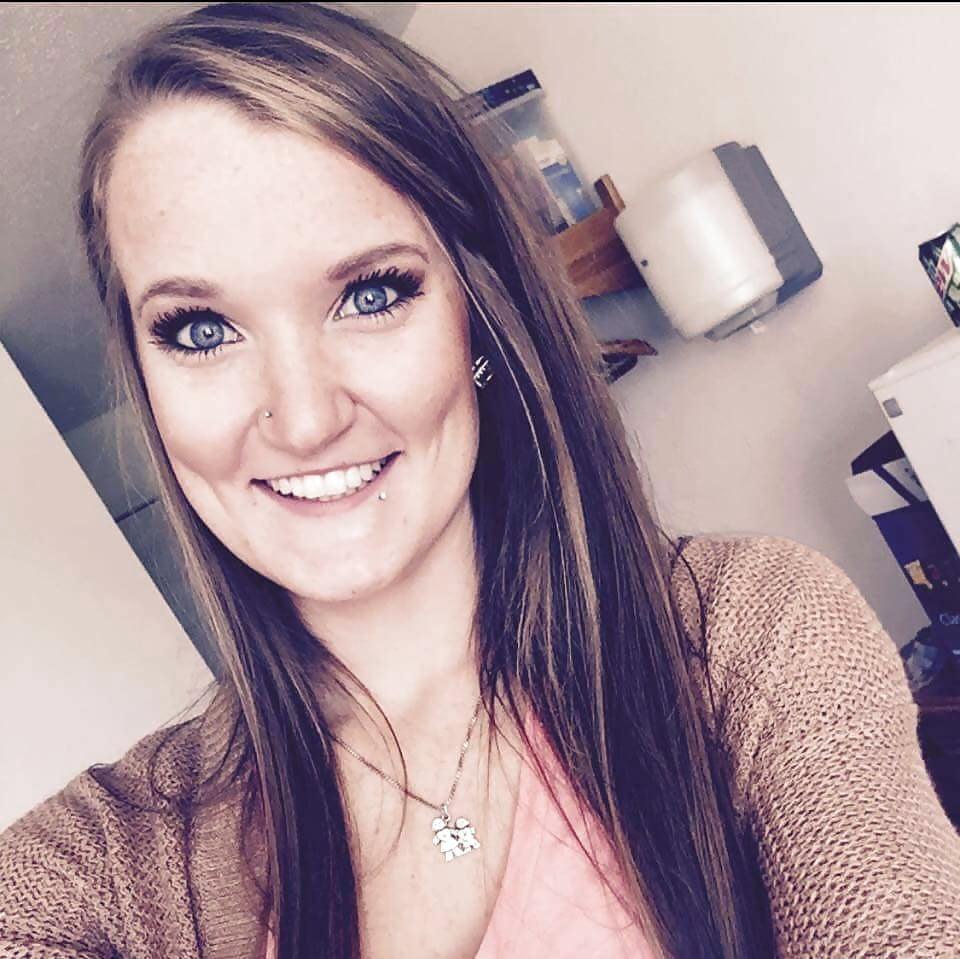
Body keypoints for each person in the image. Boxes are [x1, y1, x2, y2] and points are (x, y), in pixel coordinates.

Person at [2, 4, 959, 958]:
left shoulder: (754, 635)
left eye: (371, 294)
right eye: (201, 330)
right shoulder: (103, 867)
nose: (304, 418)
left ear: (479, 321)